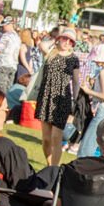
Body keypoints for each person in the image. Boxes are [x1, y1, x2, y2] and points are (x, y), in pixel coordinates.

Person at [35, 29, 81, 168]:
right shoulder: (51, 53)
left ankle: (54, 168)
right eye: (65, 39)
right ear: (59, 39)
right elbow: (41, 45)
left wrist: (76, 102)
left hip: (62, 98)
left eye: (71, 41)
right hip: (45, 96)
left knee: (56, 137)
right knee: (46, 139)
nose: (67, 42)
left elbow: (76, 81)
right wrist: (55, 39)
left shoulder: (73, 59)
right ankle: (49, 165)